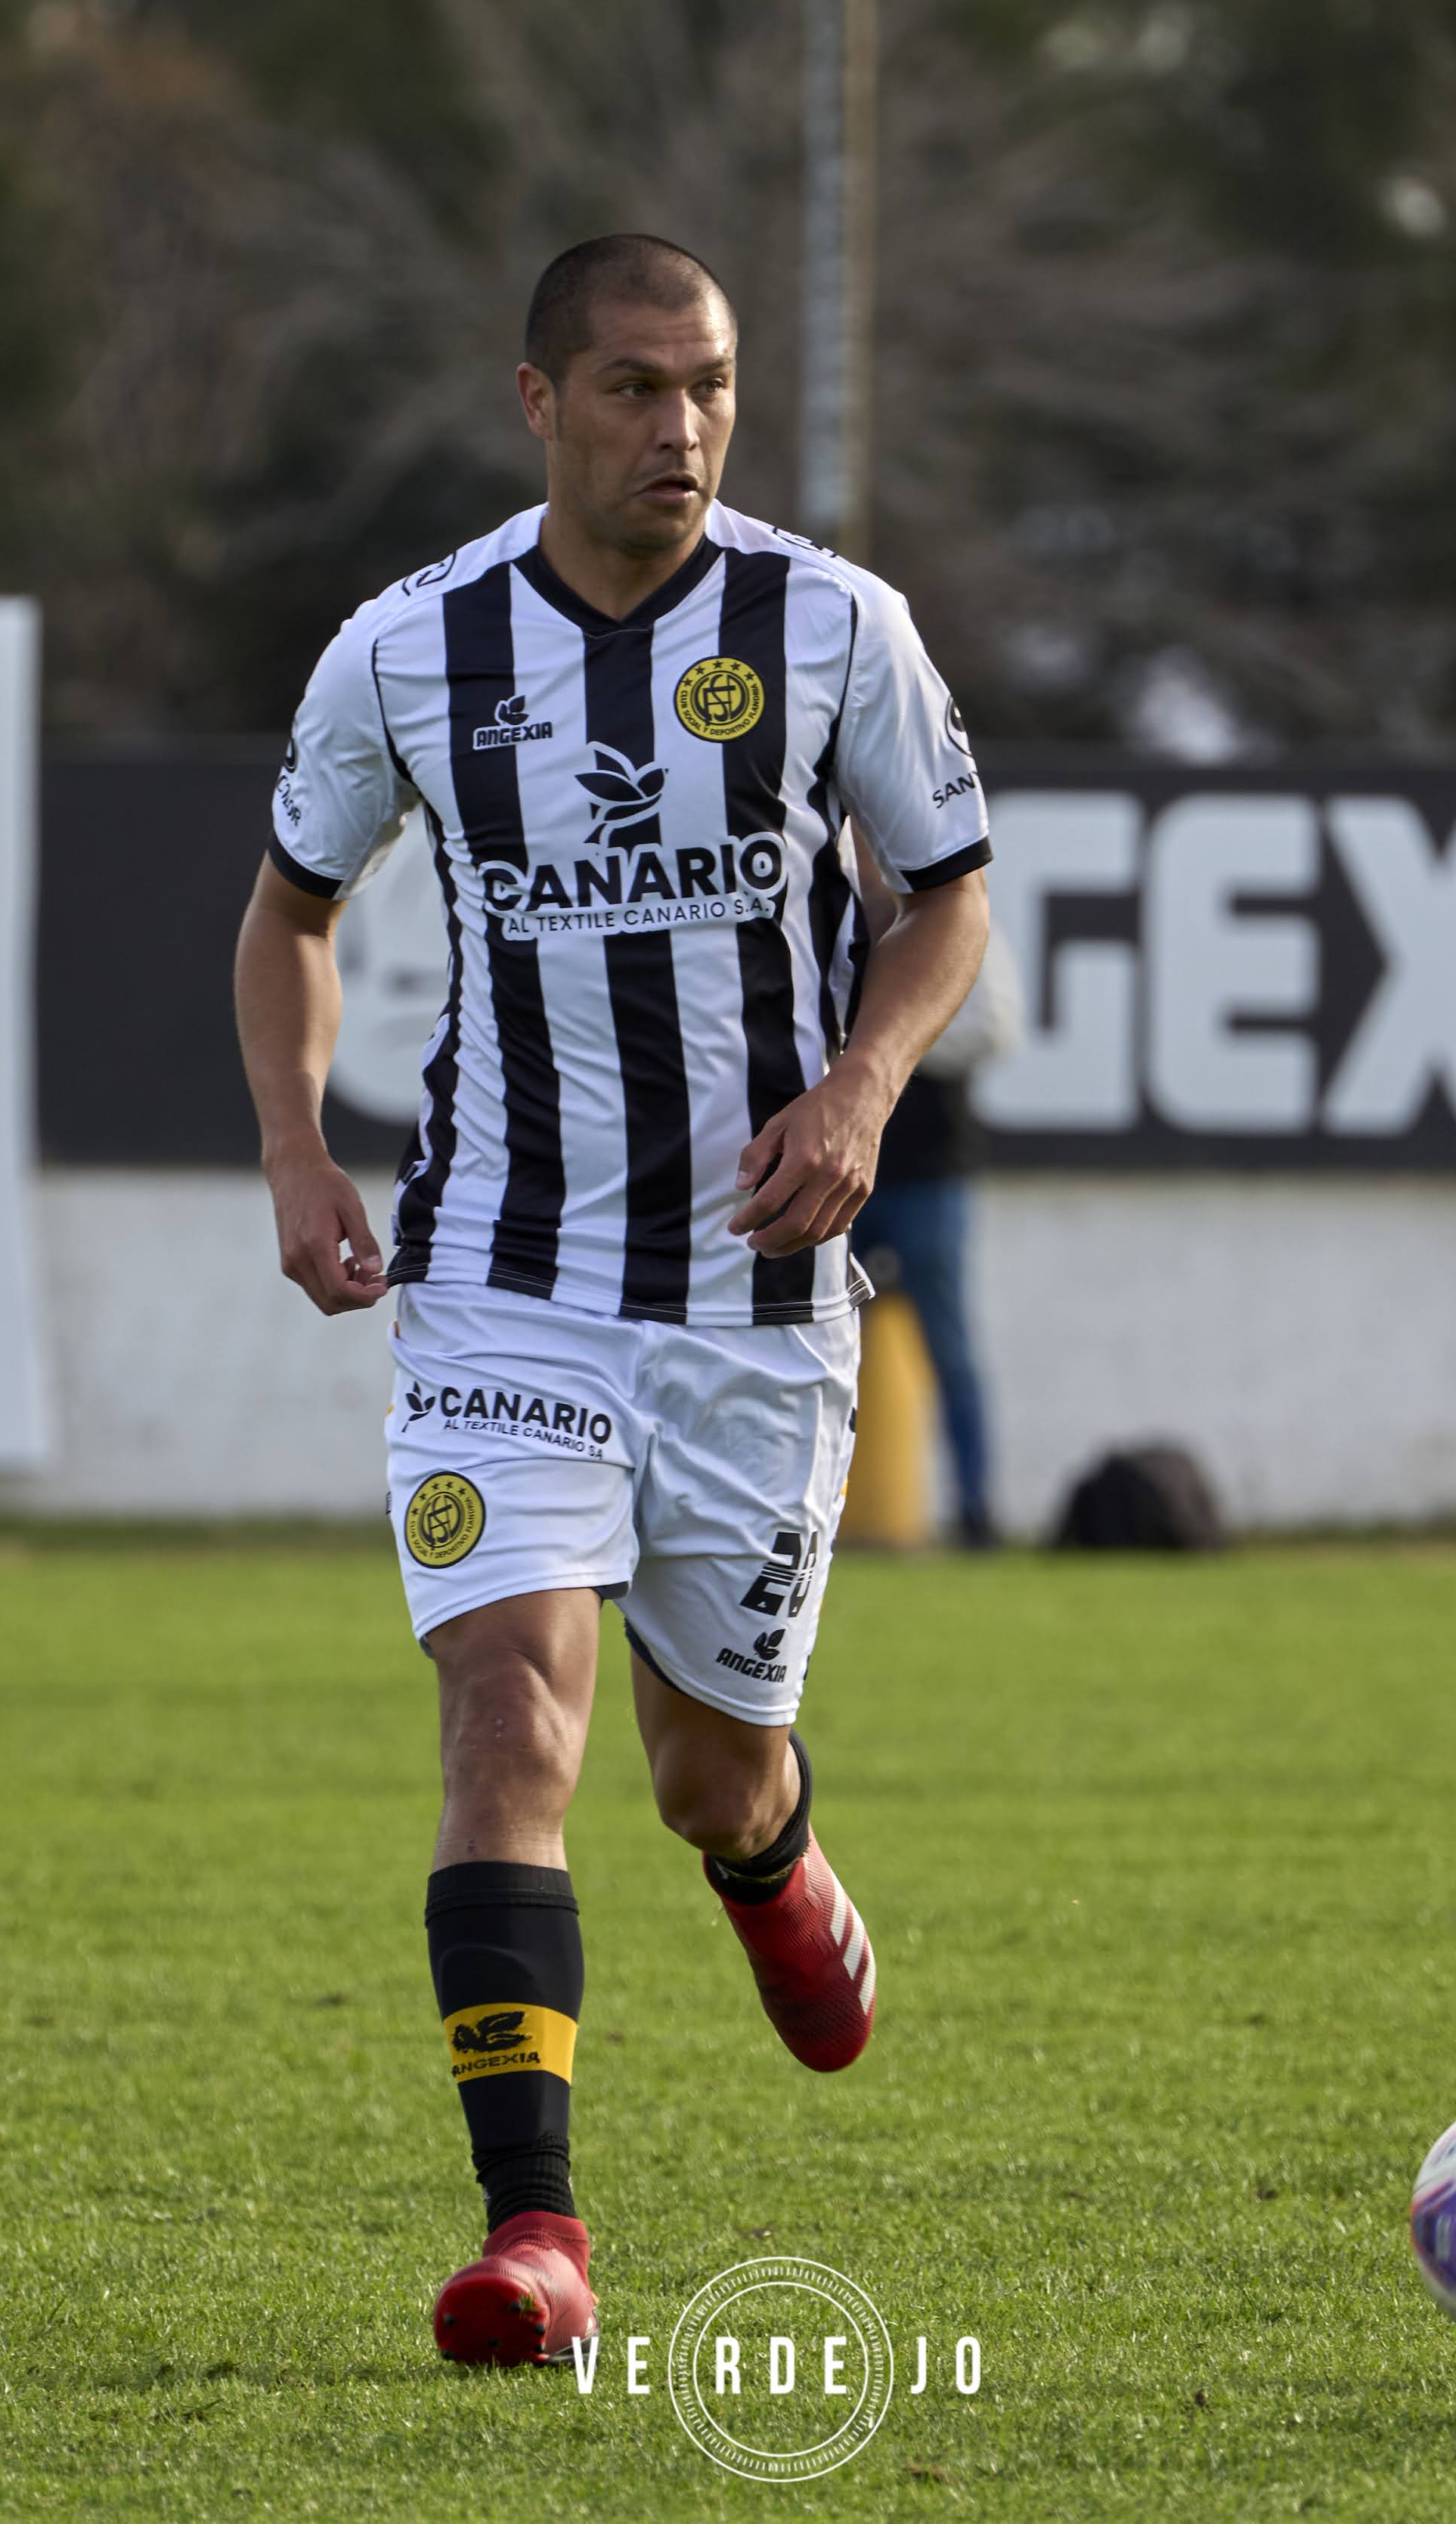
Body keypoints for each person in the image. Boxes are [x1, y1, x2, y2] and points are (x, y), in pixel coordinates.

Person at [232, 234, 991, 2366]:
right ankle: (536, 2240)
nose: (683, 427)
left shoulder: (832, 624)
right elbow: (288, 914)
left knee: (705, 1769)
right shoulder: (410, 650)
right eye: (639, 387)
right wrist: (300, 1152)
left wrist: (861, 1078)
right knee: (509, 1721)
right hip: (503, 1279)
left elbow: (943, 897)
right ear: (540, 401)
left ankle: (775, 1866)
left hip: (753, 1300)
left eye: (713, 387)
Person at [850, 918, 1021, 1546]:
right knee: (810, 1340)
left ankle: (976, 1508)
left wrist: (884, 1040)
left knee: (949, 1348)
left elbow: (993, 1026)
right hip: (841, 1167)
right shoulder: (829, 909)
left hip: (930, 1176)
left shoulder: (960, 921)